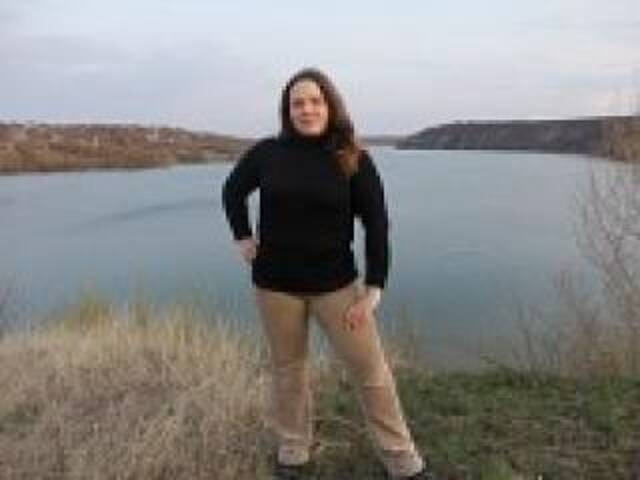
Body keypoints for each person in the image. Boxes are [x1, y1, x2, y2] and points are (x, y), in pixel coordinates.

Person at [222, 67, 435, 480]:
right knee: (288, 371)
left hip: (336, 288)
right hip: (276, 287)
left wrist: (374, 288)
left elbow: (377, 224)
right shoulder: (267, 153)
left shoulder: (353, 157)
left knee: (371, 373)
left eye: (315, 101)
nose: (307, 110)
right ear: (288, 111)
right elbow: (232, 191)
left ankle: (403, 461)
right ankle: (293, 451)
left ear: (330, 106)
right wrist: (243, 237)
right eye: (297, 103)